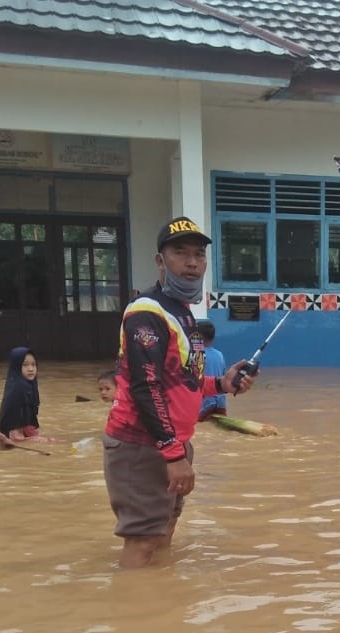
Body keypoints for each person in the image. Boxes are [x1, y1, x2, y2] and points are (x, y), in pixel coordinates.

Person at [103, 216, 256, 569]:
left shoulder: (184, 314)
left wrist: (222, 384)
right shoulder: (146, 313)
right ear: (160, 261)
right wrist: (173, 456)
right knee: (142, 541)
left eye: (199, 255)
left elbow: (181, 380)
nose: (192, 263)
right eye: (180, 253)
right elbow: (146, 386)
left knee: (164, 532)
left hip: (172, 442)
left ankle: (164, 612)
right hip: (142, 445)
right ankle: (133, 616)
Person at [0, 346, 55, 440]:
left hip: (23, 429)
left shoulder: (30, 386)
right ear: (16, 366)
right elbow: (14, 430)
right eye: (25, 365)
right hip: (12, 432)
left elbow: (29, 419)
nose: (31, 369)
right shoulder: (17, 388)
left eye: (33, 364)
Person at [196, 321, 228, 420]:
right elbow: (223, 376)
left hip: (204, 403)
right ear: (213, 337)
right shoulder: (220, 355)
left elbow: (192, 381)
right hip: (221, 403)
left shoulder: (196, 354)